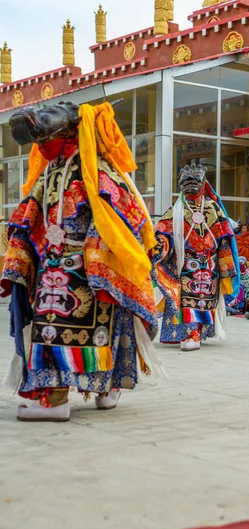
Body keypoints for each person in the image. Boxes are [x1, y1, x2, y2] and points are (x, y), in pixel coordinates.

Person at [0, 101, 160, 422]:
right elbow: (31, 213)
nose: (43, 148)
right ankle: (55, 396)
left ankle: (105, 387)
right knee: (47, 328)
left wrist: (95, 258)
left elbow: (119, 217)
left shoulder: (97, 169)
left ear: (71, 131)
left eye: (46, 141)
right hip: (54, 267)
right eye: (40, 144)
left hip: (88, 268)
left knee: (103, 329)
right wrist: (20, 250)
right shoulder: (52, 170)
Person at [153, 163, 239, 352]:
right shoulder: (176, 210)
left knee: (204, 300)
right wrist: (160, 243)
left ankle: (196, 333)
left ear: (203, 183)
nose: (191, 184)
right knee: (185, 299)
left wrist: (227, 269)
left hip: (209, 265)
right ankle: (190, 333)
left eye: (195, 181)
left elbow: (224, 239)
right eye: (186, 181)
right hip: (185, 265)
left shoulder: (212, 208)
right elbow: (162, 233)